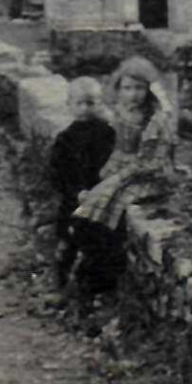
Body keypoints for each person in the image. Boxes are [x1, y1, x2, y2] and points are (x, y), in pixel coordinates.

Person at [71, 57, 179, 288]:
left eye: (139, 88)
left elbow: (150, 162)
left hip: (150, 176)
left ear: (149, 89)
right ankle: (94, 271)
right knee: (89, 211)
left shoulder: (156, 119)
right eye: (127, 88)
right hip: (123, 171)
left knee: (108, 208)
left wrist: (118, 177)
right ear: (118, 89)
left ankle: (104, 275)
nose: (133, 95)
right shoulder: (120, 113)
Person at [49, 76, 116, 286]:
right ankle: (62, 277)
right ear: (69, 105)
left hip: (100, 196)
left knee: (98, 240)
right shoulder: (65, 138)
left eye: (91, 103)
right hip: (74, 198)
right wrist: (76, 192)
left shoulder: (108, 133)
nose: (85, 109)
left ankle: (93, 282)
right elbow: (57, 172)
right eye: (79, 103)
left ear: (100, 104)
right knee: (69, 238)